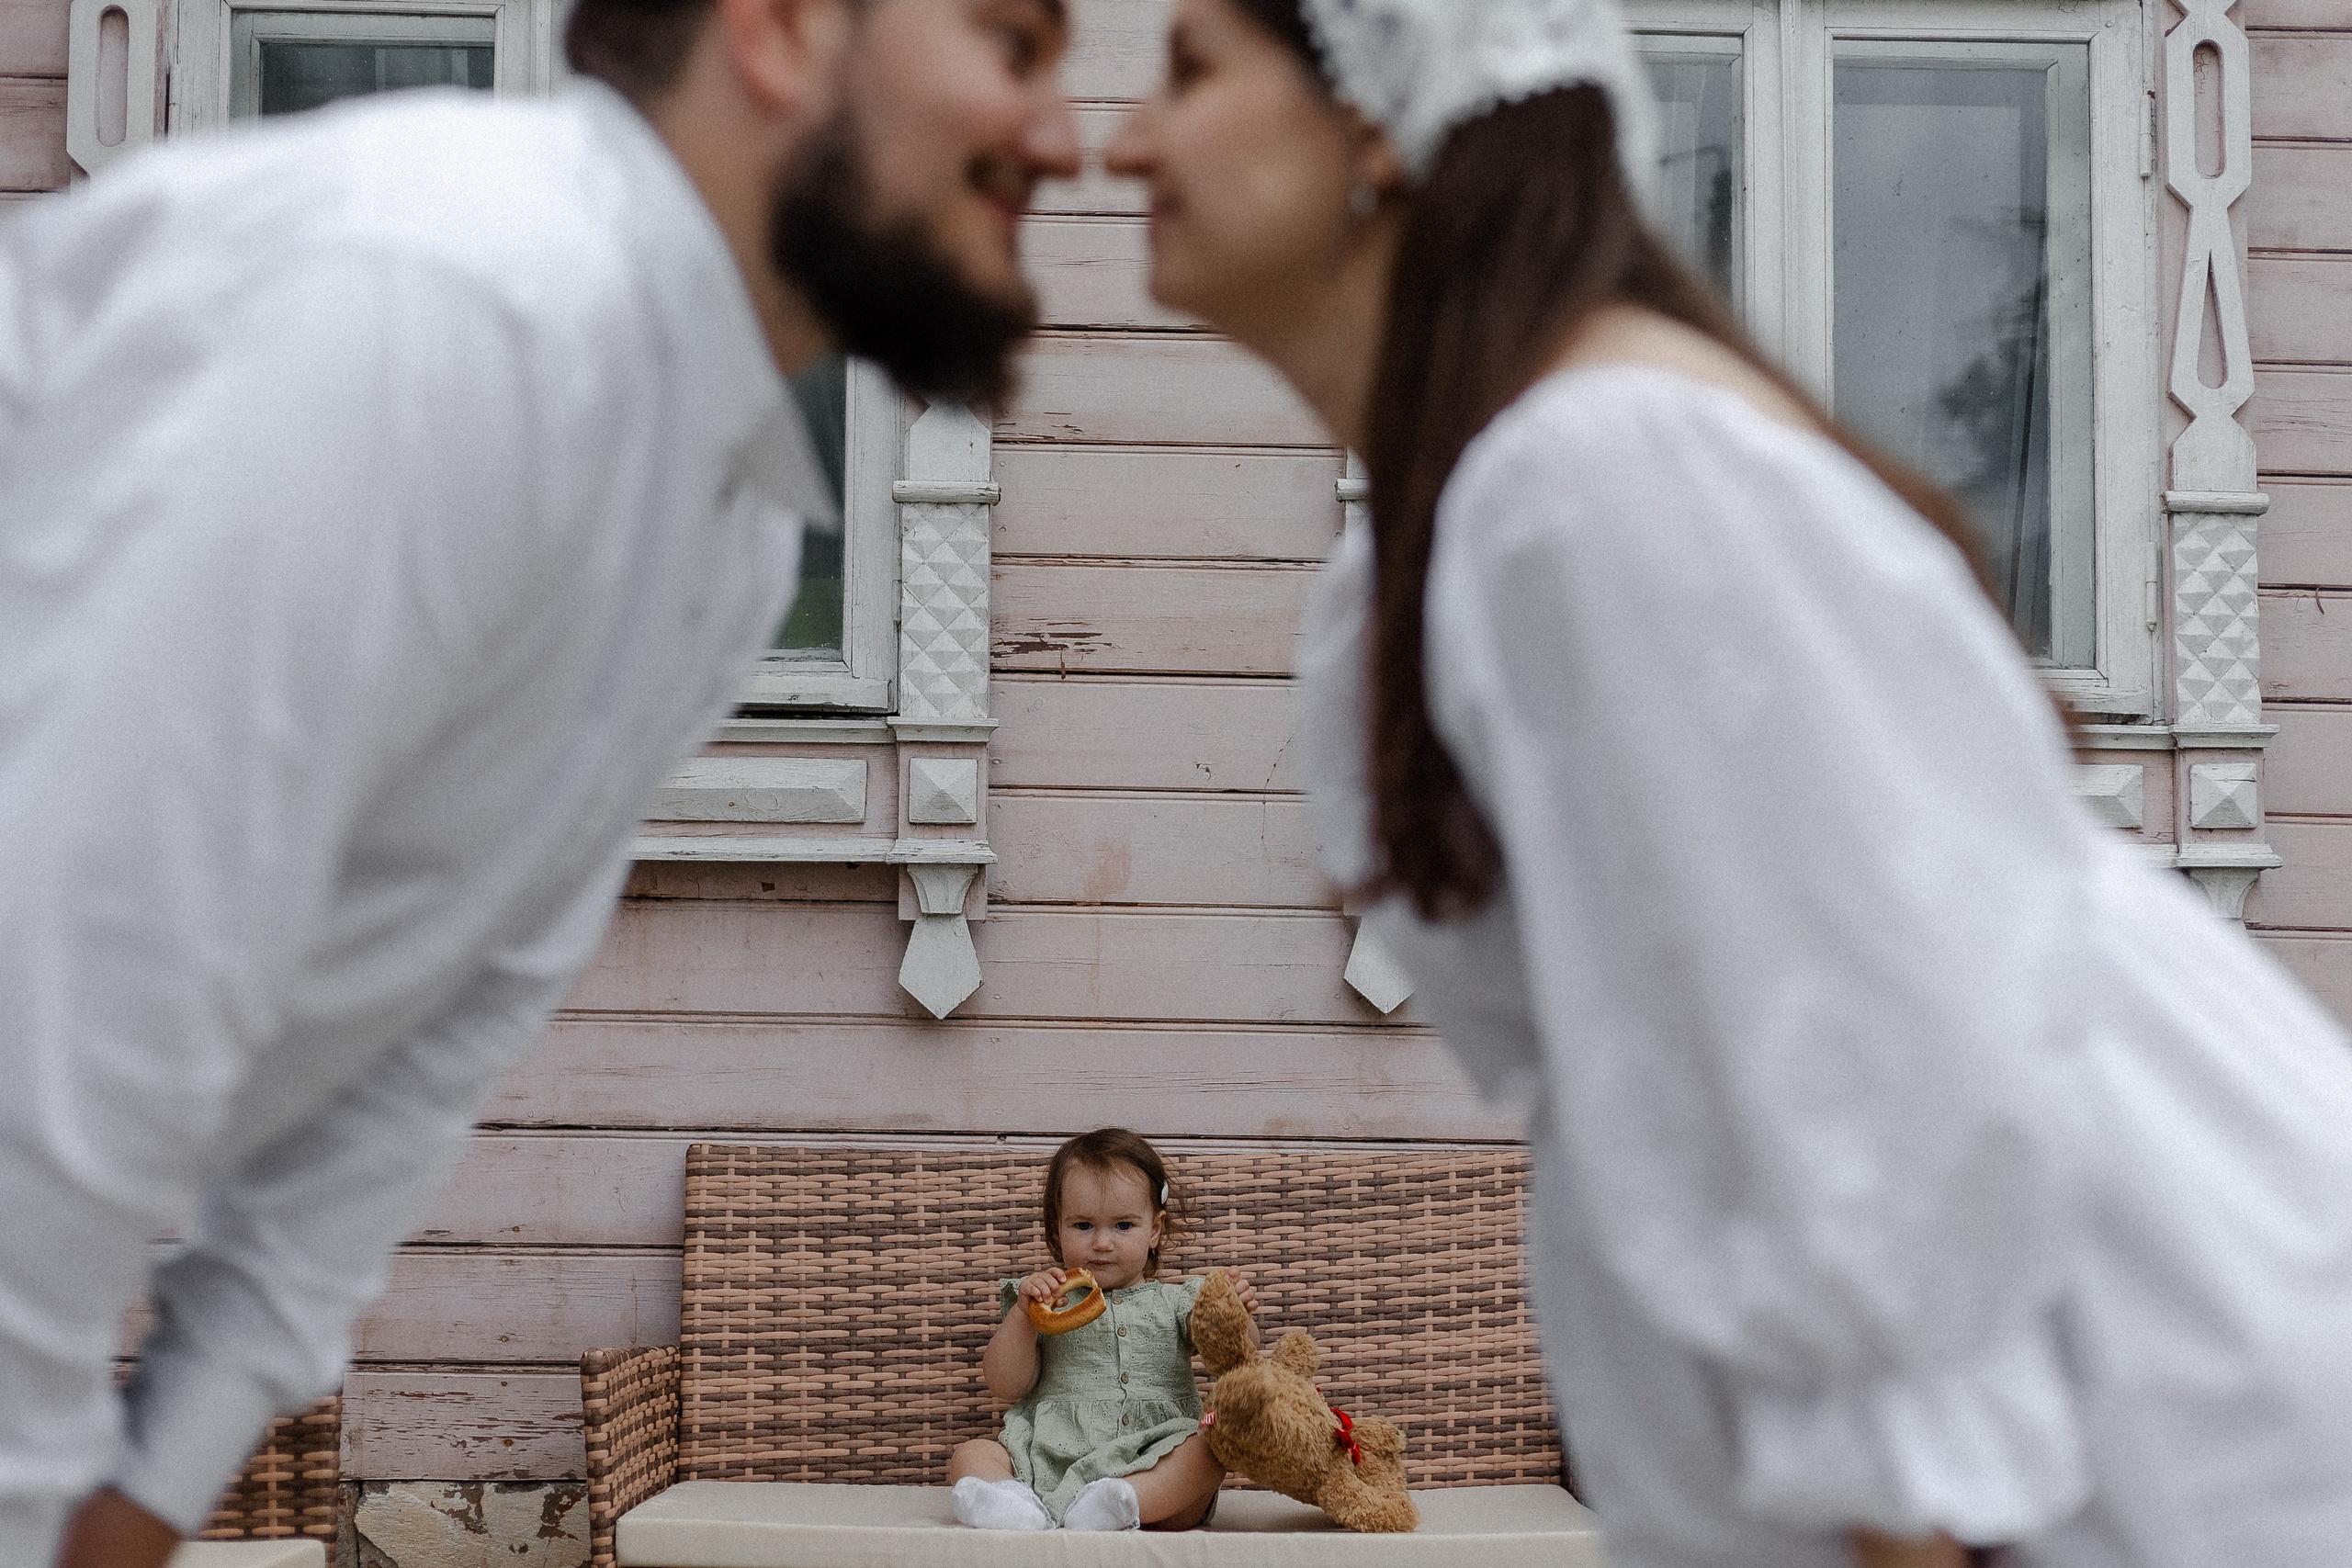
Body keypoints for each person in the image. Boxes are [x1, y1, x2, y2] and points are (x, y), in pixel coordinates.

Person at [1105, 2, 2352, 1566]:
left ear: (1372, 112)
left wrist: (1903, 1514)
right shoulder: (1469, 522)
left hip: (2140, 1403)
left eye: (1190, 71)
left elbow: (1863, 1093)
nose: (1124, 137)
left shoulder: (1590, 481)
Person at [0, 0, 1078, 1562]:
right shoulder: (448, 296)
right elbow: (52, 1012)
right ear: (775, 31)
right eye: (1013, 41)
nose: (1062, 135)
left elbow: (421, 1050)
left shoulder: (730, 530)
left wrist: (146, 1499)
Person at [948, 1128, 1260, 1530]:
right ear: (1056, 1231)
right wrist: (1023, 1318)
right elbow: (1006, 1384)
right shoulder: (1048, 1301)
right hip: (1052, 1459)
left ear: (1155, 1229)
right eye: (1082, 1226)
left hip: (1155, 1456)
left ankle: (1120, 1505)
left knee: (1212, 1447)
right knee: (971, 1454)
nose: (1101, 1243)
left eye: (1123, 1226)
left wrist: (1236, 1317)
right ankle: (1014, 1506)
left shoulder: (1180, 1300)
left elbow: (1238, 1359)